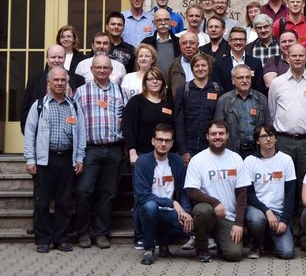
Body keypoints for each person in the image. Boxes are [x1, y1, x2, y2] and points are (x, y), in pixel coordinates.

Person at [23, 67, 86, 253]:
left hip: (67, 159)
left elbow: (81, 134)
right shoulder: (39, 105)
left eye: (62, 80)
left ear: (67, 83)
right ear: (49, 83)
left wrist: (80, 157)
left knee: (65, 202)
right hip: (45, 160)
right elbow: (29, 134)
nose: (59, 83)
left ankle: (61, 238)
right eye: (55, 80)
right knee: (42, 202)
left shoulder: (74, 106)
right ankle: (43, 239)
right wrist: (30, 159)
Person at [73, 54, 127, 249]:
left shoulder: (120, 91)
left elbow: (125, 120)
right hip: (90, 149)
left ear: (111, 70)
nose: (102, 70)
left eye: (106, 67)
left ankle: (101, 233)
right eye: (98, 67)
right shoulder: (80, 92)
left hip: (114, 149)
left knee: (108, 193)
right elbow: (74, 122)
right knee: (84, 191)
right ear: (92, 70)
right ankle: (83, 233)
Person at [185, 120, 245, 262]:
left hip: (228, 216)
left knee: (234, 254)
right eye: (213, 134)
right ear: (207, 136)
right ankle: (202, 247)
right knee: (202, 210)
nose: (217, 137)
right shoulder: (198, 160)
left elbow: (242, 193)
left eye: (221, 133)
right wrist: (215, 202)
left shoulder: (236, 159)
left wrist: (239, 223)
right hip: (208, 212)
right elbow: (191, 191)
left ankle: (220, 243)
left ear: (227, 135)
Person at [132, 124, 193, 265]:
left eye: (167, 140)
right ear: (153, 141)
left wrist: (187, 212)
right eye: (160, 139)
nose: (163, 144)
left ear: (172, 143)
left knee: (188, 223)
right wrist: (172, 202)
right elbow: (143, 195)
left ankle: (164, 243)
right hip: (146, 211)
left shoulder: (177, 161)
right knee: (150, 207)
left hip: (169, 212)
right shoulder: (142, 162)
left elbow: (183, 192)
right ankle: (149, 248)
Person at [239, 124, 297, 260]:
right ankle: (257, 244)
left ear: (276, 139)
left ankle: (269, 239)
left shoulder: (286, 160)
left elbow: (290, 194)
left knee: (287, 253)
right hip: (257, 210)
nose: (268, 139)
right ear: (257, 141)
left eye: (271, 135)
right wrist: (267, 211)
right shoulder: (250, 161)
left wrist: (284, 220)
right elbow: (250, 194)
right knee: (256, 220)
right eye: (264, 136)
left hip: (278, 212)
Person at [268, 43, 306, 183]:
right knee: (282, 180)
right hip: (283, 141)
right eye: (294, 55)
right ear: (287, 57)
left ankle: (305, 206)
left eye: (301, 55)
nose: (297, 58)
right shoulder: (277, 83)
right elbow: (272, 112)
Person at [20, 45, 86, 134]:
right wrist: (27, 132)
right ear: (47, 58)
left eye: (60, 57)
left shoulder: (78, 80)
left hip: (70, 135)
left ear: (65, 58)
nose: (56, 60)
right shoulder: (34, 80)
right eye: (53, 57)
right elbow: (26, 108)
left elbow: (82, 110)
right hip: (40, 135)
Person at [214, 64, 270, 158]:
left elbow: (268, 126)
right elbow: (219, 129)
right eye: (240, 78)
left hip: (257, 150)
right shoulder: (223, 101)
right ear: (233, 80)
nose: (245, 81)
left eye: (247, 77)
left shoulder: (261, 99)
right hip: (233, 152)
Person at [123, 66, 175, 165]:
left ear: (163, 82)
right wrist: (132, 152)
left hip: (166, 155)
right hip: (142, 154)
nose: (154, 81)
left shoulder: (170, 102)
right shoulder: (136, 101)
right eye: (150, 79)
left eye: (158, 78)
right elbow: (127, 127)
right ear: (145, 82)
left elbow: (175, 126)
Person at [174, 53, 220, 165]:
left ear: (209, 67)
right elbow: (178, 122)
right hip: (189, 148)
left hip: (210, 147)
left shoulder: (217, 90)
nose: (200, 68)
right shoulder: (183, 90)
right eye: (197, 66)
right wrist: (183, 150)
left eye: (203, 65)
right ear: (192, 69)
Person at [211, 26, 267, 94]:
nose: (238, 42)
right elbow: (217, 88)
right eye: (235, 39)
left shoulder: (256, 63)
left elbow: (260, 88)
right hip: (227, 103)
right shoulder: (219, 63)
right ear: (229, 41)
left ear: (246, 41)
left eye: (241, 39)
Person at [140, 8, 181, 74]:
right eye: (159, 20)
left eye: (166, 20)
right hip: (153, 82)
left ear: (170, 21)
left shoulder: (179, 42)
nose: (163, 23)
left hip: (174, 82)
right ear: (154, 23)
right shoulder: (146, 43)